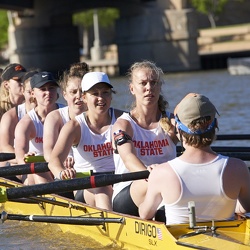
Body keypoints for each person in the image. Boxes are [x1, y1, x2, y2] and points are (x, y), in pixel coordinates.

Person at [139, 93, 250, 225]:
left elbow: (145, 214)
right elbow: (246, 207)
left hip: (179, 241)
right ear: (216, 124)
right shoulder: (237, 167)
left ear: (178, 129)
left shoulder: (162, 172)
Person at [112, 60, 178, 216]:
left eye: (154, 82)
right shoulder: (123, 125)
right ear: (132, 89)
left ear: (160, 87)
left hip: (167, 187)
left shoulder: (172, 122)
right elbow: (128, 157)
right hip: (129, 194)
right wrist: (151, 175)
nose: (149, 88)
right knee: (160, 183)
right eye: (143, 83)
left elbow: (194, 143)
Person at [48, 72, 123, 210]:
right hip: (87, 186)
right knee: (103, 189)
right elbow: (54, 161)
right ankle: (111, 227)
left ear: (111, 95)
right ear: (84, 98)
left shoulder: (123, 120)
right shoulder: (74, 127)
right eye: (95, 93)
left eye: (105, 92)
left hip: (119, 181)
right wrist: (62, 173)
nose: (101, 98)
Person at [14, 71, 64, 185]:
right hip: (38, 170)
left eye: (51, 88)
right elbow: (20, 156)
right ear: (32, 93)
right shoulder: (26, 123)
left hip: (62, 166)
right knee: (34, 173)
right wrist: (26, 158)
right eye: (43, 89)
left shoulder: (67, 114)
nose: (48, 93)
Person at [43, 62, 89, 167]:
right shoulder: (54, 118)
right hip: (64, 172)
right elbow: (48, 152)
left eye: (82, 91)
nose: (79, 96)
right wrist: (61, 163)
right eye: (73, 92)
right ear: (65, 95)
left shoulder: (99, 116)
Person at [0, 70, 38, 155]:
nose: (34, 96)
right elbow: (4, 148)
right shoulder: (10, 116)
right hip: (18, 163)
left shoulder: (55, 113)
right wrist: (22, 156)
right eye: (30, 92)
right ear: (23, 91)